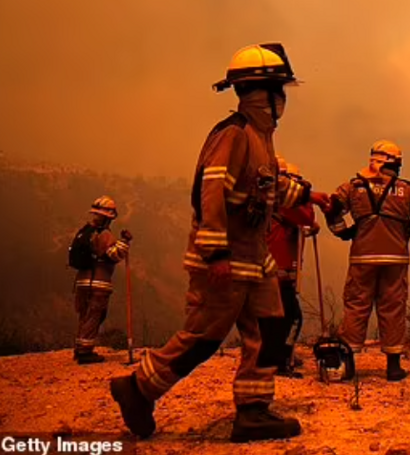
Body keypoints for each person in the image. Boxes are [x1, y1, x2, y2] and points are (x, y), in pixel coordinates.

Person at [108, 43, 331, 443]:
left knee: (271, 330)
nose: (282, 100)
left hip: (255, 260)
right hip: (227, 259)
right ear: (260, 92)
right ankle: (138, 389)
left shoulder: (262, 138)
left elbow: (262, 188)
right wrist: (215, 254)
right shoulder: (233, 134)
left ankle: (253, 412)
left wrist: (307, 195)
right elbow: (210, 192)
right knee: (204, 337)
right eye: (278, 89)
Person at [324, 139, 410, 382]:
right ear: (395, 163)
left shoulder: (353, 187)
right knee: (393, 308)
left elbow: (331, 206)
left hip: (362, 257)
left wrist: (342, 231)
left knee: (356, 306)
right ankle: (393, 367)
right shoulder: (407, 189)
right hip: (396, 258)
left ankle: (348, 365)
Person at [258, 157, 319, 377]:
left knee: (273, 319)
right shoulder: (282, 201)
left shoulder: (268, 200)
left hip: (276, 270)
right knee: (290, 318)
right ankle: (279, 360)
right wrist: (306, 197)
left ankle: (274, 357)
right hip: (277, 272)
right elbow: (306, 216)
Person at [70, 195, 131, 364]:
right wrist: (124, 242)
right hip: (98, 283)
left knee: (84, 315)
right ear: (109, 217)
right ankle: (85, 352)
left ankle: (79, 347)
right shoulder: (103, 234)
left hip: (81, 283)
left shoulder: (85, 231)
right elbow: (114, 255)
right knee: (94, 315)